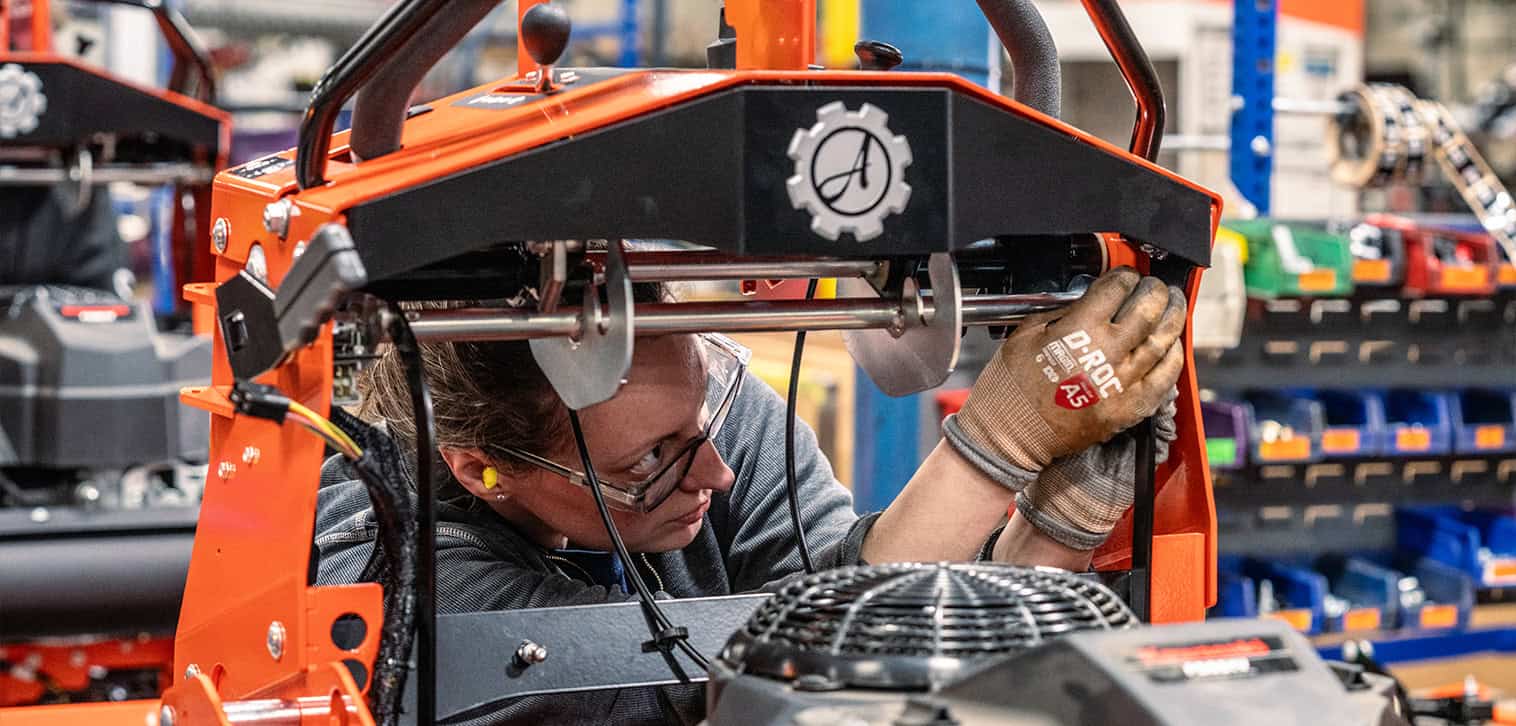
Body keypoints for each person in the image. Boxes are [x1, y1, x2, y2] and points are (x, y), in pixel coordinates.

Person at [313, 265, 1186, 724]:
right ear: (482, 468)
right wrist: (999, 444)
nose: (715, 473)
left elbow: (849, 605)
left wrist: (1059, 527)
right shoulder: (397, 566)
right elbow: (738, 698)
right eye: (650, 460)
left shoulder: (704, 418)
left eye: (705, 426)